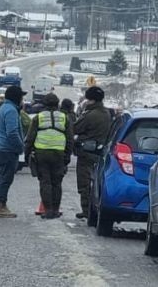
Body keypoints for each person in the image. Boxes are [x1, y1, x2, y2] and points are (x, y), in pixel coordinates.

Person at [25, 93, 73, 219]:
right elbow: (69, 139)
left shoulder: (38, 117)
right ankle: (56, 210)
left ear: (44, 105)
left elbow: (30, 138)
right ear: (57, 104)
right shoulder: (64, 118)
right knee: (57, 183)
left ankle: (48, 210)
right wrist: (67, 155)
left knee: (45, 182)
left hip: (41, 153)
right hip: (58, 154)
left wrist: (26, 154)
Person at [73, 85, 112, 219]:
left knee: (84, 183)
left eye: (88, 99)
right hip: (99, 153)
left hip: (86, 153)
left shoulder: (90, 114)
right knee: (95, 181)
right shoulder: (106, 114)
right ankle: (94, 209)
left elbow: (75, 128)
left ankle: (87, 210)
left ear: (92, 100)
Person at [0, 85, 26, 218]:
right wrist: (20, 146)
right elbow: (12, 132)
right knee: (6, 179)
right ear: (17, 97)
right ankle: (0, 206)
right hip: (8, 150)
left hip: (1, 148)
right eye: (21, 97)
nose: (23, 100)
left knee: (2, 178)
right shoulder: (11, 110)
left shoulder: (4, 108)